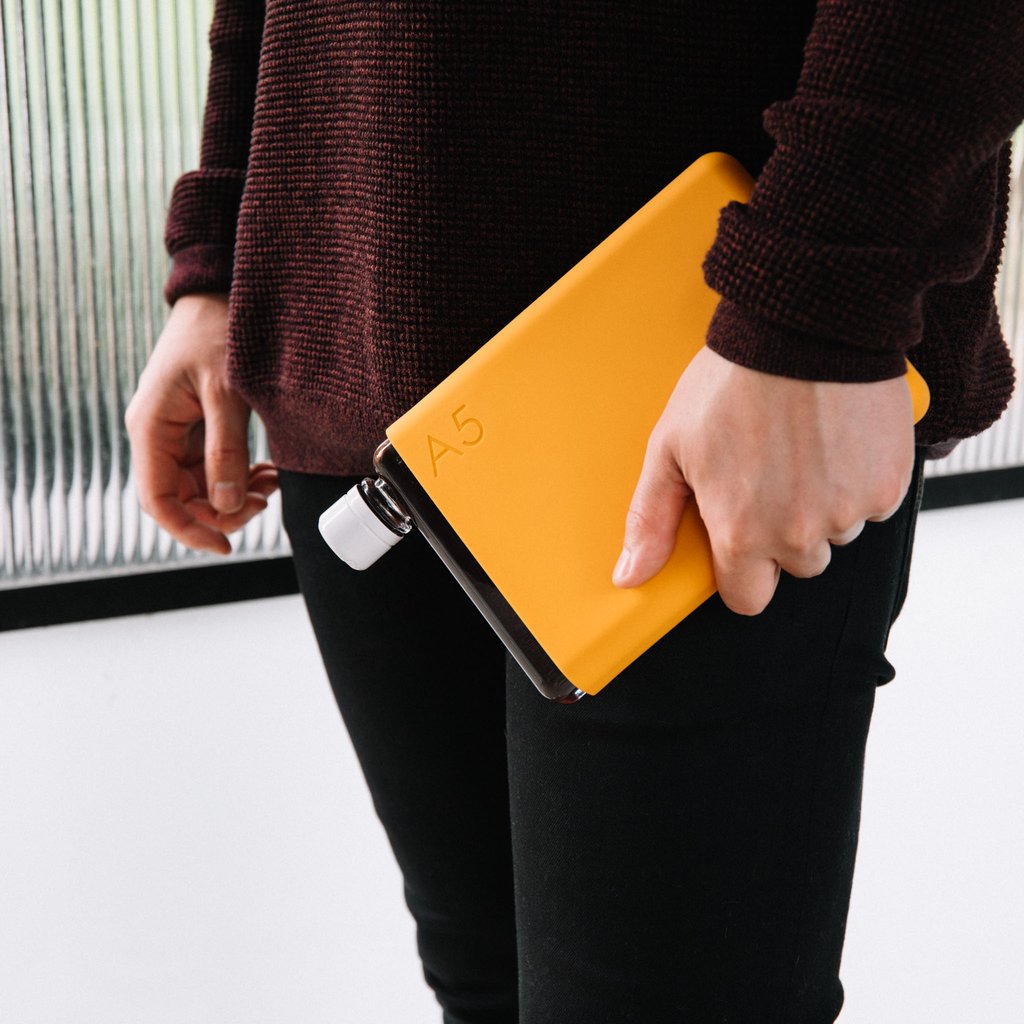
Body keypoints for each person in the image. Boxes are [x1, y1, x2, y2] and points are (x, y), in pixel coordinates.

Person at [125, 3, 1023, 1021]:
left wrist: (814, 298)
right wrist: (219, 253)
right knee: (486, 988)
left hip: (712, 378)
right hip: (356, 339)